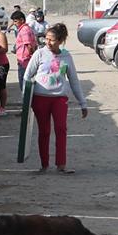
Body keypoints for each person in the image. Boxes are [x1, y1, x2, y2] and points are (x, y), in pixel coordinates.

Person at [24, 23, 88, 174]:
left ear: (60, 40)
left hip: (59, 99)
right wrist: (26, 100)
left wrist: (82, 103)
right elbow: (27, 76)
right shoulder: (39, 54)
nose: (48, 42)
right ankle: (44, 164)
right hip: (40, 99)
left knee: (61, 129)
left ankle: (61, 165)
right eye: (46, 39)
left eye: (51, 40)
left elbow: (73, 80)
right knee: (44, 131)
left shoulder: (66, 56)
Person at [10, 10, 37, 89]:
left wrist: (32, 57)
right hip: (24, 61)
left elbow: (29, 45)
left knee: (24, 85)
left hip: (25, 61)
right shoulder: (25, 29)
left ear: (22, 20)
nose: (14, 23)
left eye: (15, 21)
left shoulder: (24, 30)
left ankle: (27, 101)